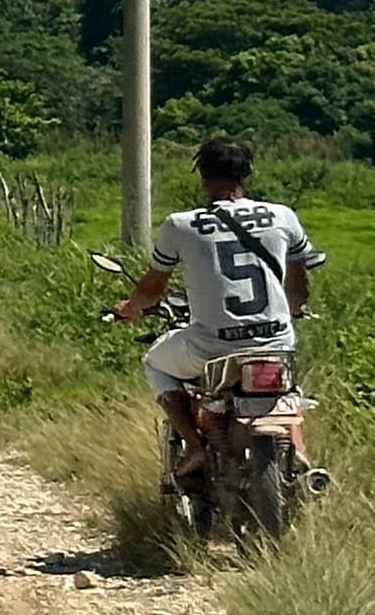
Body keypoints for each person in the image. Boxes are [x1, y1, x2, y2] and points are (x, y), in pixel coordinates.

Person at [108, 135, 323, 471]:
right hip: (275, 341)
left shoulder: (181, 225)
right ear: (247, 174)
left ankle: (195, 447)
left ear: (203, 176)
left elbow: (151, 289)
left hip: (212, 349)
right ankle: (297, 448)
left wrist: (129, 309)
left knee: (155, 363)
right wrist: (294, 309)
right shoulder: (282, 216)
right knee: (288, 385)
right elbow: (298, 284)